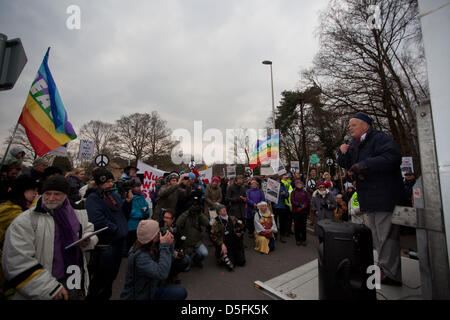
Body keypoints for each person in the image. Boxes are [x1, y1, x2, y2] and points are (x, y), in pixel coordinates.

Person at [2, 176, 98, 300]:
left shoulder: (77, 213)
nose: (51, 198)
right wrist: (48, 288)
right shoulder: (26, 220)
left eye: (57, 194)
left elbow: (88, 229)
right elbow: (16, 260)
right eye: (47, 194)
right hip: (44, 288)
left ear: (65, 195)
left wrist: (87, 239)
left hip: (72, 277)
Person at [337, 112, 404, 286]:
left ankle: (391, 274)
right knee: (376, 235)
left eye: (353, 125)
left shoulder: (379, 138)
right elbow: (346, 163)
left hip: (383, 196)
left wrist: (365, 165)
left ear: (365, 125)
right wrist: (342, 153)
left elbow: (393, 157)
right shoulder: (354, 144)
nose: (350, 128)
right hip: (369, 198)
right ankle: (383, 267)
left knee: (386, 236)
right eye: (349, 125)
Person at [85, 167, 132, 300]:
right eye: (108, 182)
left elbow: (122, 213)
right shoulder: (93, 198)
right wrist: (116, 230)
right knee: (101, 280)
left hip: (118, 243)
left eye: (112, 181)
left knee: (110, 279)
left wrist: (128, 202)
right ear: (100, 182)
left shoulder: (113, 195)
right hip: (106, 245)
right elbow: (97, 221)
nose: (111, 184)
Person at [120, 219, 187, 300]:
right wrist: (165, 245)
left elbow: (170, 258)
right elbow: (162, 273)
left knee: (182, 292)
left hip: (150, 288)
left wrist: (170, 244)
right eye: (157, 232)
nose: (160, 233)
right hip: (140, 295)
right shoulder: (140, 257)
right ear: (152, 237)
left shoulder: (149, 244)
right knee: (180, 293)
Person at [0, 175, 39, 299]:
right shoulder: (9, 210)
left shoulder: (16, 206)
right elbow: (27, 224)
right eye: (33, 190)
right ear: (23, 190)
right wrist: (36, 204)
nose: (35, 193)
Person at [176, 193, 210, 269]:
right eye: (192, 206)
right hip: (186, 243)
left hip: (197, 242)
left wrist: (200, 213)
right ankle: (188, 260)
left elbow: (207, 223)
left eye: (195, 206)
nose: (194, 207)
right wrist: (188, 212)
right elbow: (178, 223)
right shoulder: (185, 215)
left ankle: (196, 260)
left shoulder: (198, 215)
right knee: (186, 267)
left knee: (204, 253)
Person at [210, 203, 245, 271]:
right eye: (222, 209)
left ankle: (235, 255)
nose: (224, 210)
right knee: (231, 266)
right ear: (219, 212)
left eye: (224, 209)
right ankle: (222, 256)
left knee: (241, 262)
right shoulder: (216, 222)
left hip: (235, 242)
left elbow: (241, 227)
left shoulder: (232, 218)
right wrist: (221, 244)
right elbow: (213, 236)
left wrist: (240, 232)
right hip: (225, 244)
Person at [160, 210, 189, 284]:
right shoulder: (159, 227)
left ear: (173, 220)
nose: (165, 220)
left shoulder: (176, 229)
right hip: (161, 254)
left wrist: (180, 250)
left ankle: (172, 274)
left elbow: (181, 241)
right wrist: (172, 253)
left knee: (186, 260)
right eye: (164, 217)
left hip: (173, 252)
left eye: (167, 218)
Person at [126, 180, 151, 253]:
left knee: (139, 243)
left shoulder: (141, 196)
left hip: (141, 224)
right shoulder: (129, 197)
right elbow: (131, 212)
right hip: (132, 225)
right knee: (131, 244)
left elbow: (146, 206)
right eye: (136, 186)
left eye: (139, 186)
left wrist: (147, 213)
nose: (138, 188)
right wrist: (142, 215)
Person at [290, 180, 311, 246]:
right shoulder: (293, 192)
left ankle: (304, 239)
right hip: (296, 211)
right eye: (298, 184)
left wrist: (303, 206)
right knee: (297, 226)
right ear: (295, 185)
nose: (299, 185)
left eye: (300, 183)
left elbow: (308, 200)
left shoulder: (305, 192)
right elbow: (292, 200)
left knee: (303, 226)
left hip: (304, 211)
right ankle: (298, 239)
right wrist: (298, 205)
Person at [271, 175, 290, 243]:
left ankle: (282, 236)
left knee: (282, 222)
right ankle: (275, 235)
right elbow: (268, 196)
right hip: (274, 207)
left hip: (282, 206)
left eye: (278, 180)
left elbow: (287, 195)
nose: (277, 181)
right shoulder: (271, 186)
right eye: (276, 180)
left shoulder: (283, 186)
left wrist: (284, 193)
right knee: (274, 222)